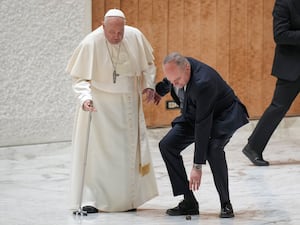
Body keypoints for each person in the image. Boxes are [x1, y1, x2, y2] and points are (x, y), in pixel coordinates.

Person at [66, 9, 158, 213]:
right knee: (99, 155)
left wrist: (149, 85)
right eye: (112, 32)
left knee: (127, 155)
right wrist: (85, 98)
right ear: (102, 25)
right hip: (101, 107)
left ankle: (128, 201)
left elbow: (148, 65)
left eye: (120, 32)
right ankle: (93, 200)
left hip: (128, 105)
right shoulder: (90, 43)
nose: (116, 37)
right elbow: (79, 78)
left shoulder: (134, 36)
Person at [154, 52, 249, 218]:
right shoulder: (178, 70)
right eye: (172, 81)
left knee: (213, 150)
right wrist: (159, 92)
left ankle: (225, 203)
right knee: (167, 145)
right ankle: (189, 202)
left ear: (187, 69)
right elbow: (169, 81)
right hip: (195, 113)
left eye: (177, 81)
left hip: (223, 116)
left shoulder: (203, 82)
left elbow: (203, 125)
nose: (175, 85)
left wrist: (197, 166)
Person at [242, 0, 300, 166]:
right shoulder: (284, 3)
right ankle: (253, 147)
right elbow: (280, 35)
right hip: (291, 66)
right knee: (278, 107)